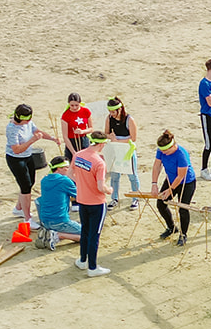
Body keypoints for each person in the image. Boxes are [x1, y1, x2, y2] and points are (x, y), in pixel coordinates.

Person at [5, 103, 58, 221]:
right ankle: (27, 218)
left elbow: (37, 131)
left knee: (30, 182)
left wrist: (52, 138)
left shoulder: (28, 123)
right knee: (25, 187)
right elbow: (17, 149)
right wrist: (32, 140)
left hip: (28, 156)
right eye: (27, 119)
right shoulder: (12, 129)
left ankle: (19, 208)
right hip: (16, 159)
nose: (29, 122)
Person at [70, 132, 111, 275]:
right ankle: (92, 267)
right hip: (97, 202)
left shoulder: (78, 154)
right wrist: (109, 189)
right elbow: (101, 187)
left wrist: (82, 184)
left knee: (85, 230)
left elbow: (70, 174)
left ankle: (82, 260)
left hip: (82, 199)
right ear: (101, 144)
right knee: (95, 234)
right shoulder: (99, 162)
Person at [152, 130, 197, 245]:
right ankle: (171, 227)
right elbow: (157, 166)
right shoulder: (161, 150)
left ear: (172, 146)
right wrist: (154, 184)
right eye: (161, 151)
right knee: (161, 204)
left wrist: (171, 189)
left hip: (186, 182)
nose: (163, 153)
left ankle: (183, 234)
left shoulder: (181, 154)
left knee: (183, 208)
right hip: (171, 178)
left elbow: (181, 175)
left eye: (165, 151)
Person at [36, 157, 81, 250]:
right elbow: (80, 196)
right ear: (60, 168)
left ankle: (48, 232)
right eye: (67, 167)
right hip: (59, 221)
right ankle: (57, 235)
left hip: (44, 220)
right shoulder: (65, 181)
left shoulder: (44, 180)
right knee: (88, 235)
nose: (68, 170)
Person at [102, 97, 139, 210]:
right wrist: (111, 137)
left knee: (132, 175)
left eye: (113, 111)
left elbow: (133, 138)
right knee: (114, 176)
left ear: (120, 109)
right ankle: (114, 198)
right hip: (115, 149)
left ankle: (135, 198)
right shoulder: (109, 118)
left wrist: (118, 141)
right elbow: (106, 133)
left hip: (127, 150)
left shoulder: (129, 119)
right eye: (110, 111)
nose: (111, 114)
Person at [59, 93, 92, 158]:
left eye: (76, 105)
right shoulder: (65, 115)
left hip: (83, 139)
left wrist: (82, 131)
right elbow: (65, 136)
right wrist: (73, 152)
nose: (74, 107)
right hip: (71, 141)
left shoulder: (86, 111)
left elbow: (91, 128)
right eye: (72, 105)